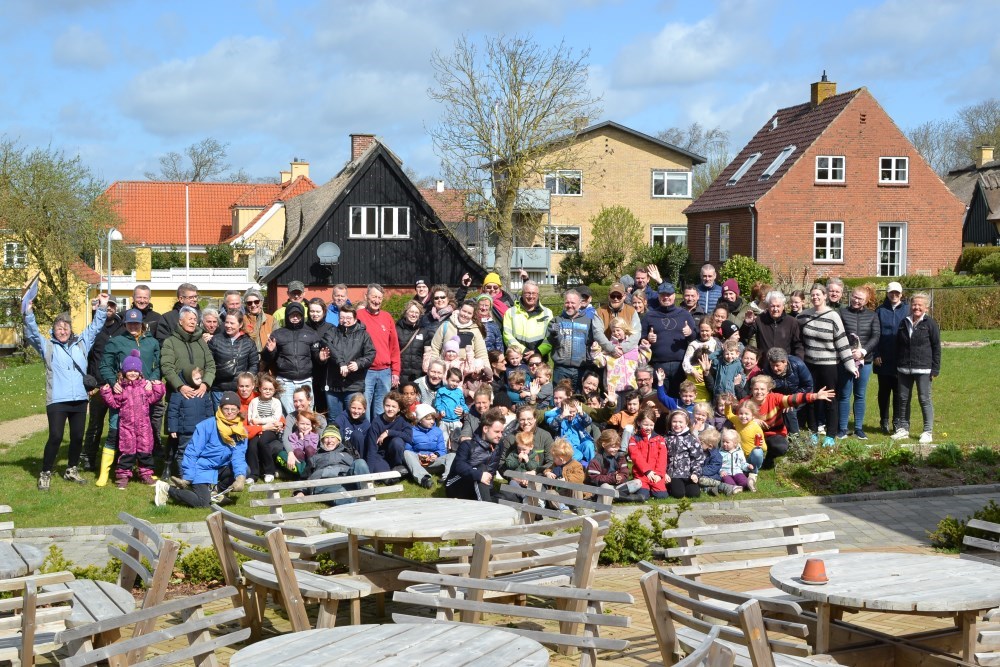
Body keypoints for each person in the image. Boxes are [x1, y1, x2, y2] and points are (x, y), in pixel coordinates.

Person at [25, 292, 109, 490]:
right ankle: (46, 472)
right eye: (58, 328)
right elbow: (32, 333)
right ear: (53, 330)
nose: (62, 331)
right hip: (57, 400)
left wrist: (103, 307)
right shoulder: (47, 347)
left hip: (79, 399)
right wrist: (28, 312)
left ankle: (71, 469)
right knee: (55, 436)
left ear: (71, 330)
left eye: (66, 327)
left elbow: (96, 327)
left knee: (77, 437)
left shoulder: (82, 343)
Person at [98, 307, 162, 486]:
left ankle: (145, 470)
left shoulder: (152, 342)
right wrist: (113, 383)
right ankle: (107, 472)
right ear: (125, 324)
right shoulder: (116, 342)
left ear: (142, 323)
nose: (133, 326)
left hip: (145, 395)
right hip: (124, 395)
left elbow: (159, 365)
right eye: (129, 323)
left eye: (136, 323)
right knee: (115, 432)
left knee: (145, 436)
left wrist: (154, 380)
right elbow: (105, 365)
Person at [153, 391, 247, 508]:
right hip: (202, 469)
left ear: (238, 410)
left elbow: (238, 456)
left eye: (233, 409)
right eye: (226, 408)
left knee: (245, 470)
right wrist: (188, 477)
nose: (229, 412)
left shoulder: (240, 431)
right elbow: (192, 452)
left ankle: (215, 492)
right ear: (220, 408)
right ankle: (167, 489)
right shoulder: (206, 426)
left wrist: (240, 477)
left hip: (221, 467)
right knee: (202, 504)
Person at [798, 283, 858, 446]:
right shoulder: (803, 316)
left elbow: (842, 341)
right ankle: (813, 431)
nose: (816, 297)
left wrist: (850, 365)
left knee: (831, 399)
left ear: (825, 296)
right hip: (810, 365)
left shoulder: (833, 316)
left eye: (819, 294)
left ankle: (831, 434)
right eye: (813, 295)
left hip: (829, 365)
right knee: (811, 399)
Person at [100, 350, 166, 488]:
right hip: (127, 427)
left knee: (145, 451)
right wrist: (106, 392)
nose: (133, 373)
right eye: (129, 371)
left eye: (135, 371)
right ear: (124, 372)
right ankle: (123, 475)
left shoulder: (144, 387)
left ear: (140, 372)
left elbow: (154, 397)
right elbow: (114, 403)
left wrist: (158, 386)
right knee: (127, 452)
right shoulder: (121, 388)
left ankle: (146, 474)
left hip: (144, 426)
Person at [748, 375, 834, 467]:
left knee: (781, 448)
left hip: (774, 434)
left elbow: (794, 398)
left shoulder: (774, 398)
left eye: (762, 389)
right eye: (756, 389)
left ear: (768, 390)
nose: (759, 392)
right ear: (751, 389)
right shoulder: (745, 402)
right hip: (751, 435)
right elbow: (736, 419)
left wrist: (815, 396)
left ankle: (769, 458)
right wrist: (752, 421)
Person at [890, 293, 941, 444]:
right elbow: (898, 345)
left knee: (924, 399)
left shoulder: (930, 323)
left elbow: (936, 347)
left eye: (920, 305)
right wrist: (897, 365)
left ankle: (927, 431)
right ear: (910, 306)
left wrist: (935, 369)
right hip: (904, 368)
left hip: (924, 369)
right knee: (903, 399)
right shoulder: (903, 322)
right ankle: (903, 429)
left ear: (926, 307)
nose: (916, 307)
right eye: (914, 304)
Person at [82, 297, 123, 471]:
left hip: (119, 386)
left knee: (119, 425)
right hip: (98, 386)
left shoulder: (123, 329)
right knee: (95, 425)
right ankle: (88, 458)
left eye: (112, 306)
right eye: (106, 306)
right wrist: (89, 384)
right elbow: (87, 358)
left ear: (115, 308)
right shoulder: (94, 330)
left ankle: (117, 460)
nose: (109, 309)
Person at [261, 301, 322, 416]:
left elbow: (316, 358)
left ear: (302, 316)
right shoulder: (278, 334)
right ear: (287, 316)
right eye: (292, 315)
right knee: (290, 415)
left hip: (306, 380)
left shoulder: (311, 334)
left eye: (298, 315)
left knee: (307, 414)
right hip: (285, 381)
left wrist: (322, 358)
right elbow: (266, 358)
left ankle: (309, 434)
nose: (295, 317)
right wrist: (270, 351)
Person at [838, 287, 880, 440]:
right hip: (845, 360)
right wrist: (847, 352)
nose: (856, 300)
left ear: (866, 301)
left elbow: (876, 336)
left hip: (865, 361)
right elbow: (838, 334)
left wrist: (863, 351)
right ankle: (842, 428)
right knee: (844, 394)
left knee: (860, 394)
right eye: (854, 297)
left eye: (860, 299)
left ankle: (858, 428)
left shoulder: (872, 315)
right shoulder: (841, 313)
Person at [355, 283, 400, 419]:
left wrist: (396, 371)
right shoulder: (358, 316)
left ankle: (378, 438)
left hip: (385, 372)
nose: (376, 301)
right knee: (364, 408)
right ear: (366, 296)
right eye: (374, 296)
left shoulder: (387, 317)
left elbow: (394, 346)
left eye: (379, 298)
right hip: (365, 371)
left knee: (382, 410)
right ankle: (365, 438)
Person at [643, 282, 696, 396]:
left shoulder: (684, 314)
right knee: (660, 398)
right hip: (658, 364)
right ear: (658, 296)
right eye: (663, 295)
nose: (666, 297)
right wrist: (647, 338)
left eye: (669, 294)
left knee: (680, 397)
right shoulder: (650, 315)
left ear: (674, 295)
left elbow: (696, 338)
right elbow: (641, 338)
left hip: (680, 365)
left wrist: (690, 333)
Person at [445, 407, 506, 501]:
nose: (500, 435)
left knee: (505, 499)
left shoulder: (498, 446)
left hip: (481, 487)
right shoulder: (468, 445)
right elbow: (459, 466)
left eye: (502, 432)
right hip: (456, 486)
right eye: (497, 432)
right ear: (485, 429)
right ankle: (485, 507)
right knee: (481, 468)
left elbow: (500, 465)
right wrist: (479, 475)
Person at [166, 367, 214, 484]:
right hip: (185, 431)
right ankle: (184, 476)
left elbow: (209, 411)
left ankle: (198, 477)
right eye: (196, 378)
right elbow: (173, 411)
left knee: (201, 453)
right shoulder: (179, 394)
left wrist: (211, 427)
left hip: (201, 431)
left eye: (200, 378)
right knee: (183, 452)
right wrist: (173, 428)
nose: (199, 380)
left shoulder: (204, 393)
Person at [547, 289, 600, 390]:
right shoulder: (556, 321)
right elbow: (552, 339)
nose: (569, 305)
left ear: (580, 304)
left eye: (573, 303)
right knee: (560, 398)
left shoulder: (589, 321)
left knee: (579, 399)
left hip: (582, 368)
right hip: (561, 368)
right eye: (567, 302)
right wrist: (555, 334)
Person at [304, 424, 370, 504]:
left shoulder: (347, 453)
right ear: (322, 441)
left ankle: (368, 494)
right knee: (342, 496)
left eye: (333, 437)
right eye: (326, 437)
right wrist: (299, 491)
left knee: (360, 462)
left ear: (338, 440)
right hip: (326, 482)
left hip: (346, 479)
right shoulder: (315, 457)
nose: (329, 441)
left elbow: (357, 468)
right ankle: (359, 504)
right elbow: (305, 477)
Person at [874, 282, 909, 434]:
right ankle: (884, 420)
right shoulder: (880, 311)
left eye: (897, 293)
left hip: (901, 358)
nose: (894, 295)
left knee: (898, 392)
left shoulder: (907, 309)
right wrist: (876, 354)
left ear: (901, 294)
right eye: (891, 293)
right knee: (883, 392)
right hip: (883, 358)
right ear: (887, 294)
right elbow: (874, 334)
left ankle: (897, 421)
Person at [423, 299, 490, 375]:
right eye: (464, 311)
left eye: (469, 313)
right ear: (459, 309)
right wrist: (433, 369)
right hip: (445, 372)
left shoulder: (475, 330)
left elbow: (481, 353)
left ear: (472, 315)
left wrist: (488, 371)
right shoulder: (446, 326)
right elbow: (434, 348)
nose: (465, 315)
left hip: (467, 373)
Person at [207, 311, 259, 408]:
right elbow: (208, 363)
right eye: (226, 322)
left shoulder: (248, 343)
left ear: (240, 325)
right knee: (220, 420)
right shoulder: (215, 340)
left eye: (232, 323)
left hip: (239, 391)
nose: (228, 325)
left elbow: (254, 364)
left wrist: (246, 381)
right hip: (219, 389)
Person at [761, 347, 812, 434]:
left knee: (789, 411)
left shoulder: (798, 364)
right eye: (772, 365)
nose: (774, 368)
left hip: (799, 393)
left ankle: (795, 439)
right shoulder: (767, 370)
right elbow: (768, 389)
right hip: (779, 397)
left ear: (785, 362)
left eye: (777, 365)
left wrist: (791, 400)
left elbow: (808, 386)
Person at [245, 374, 285, 484]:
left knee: (263, 442)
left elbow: (276, 418)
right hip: (257, 429)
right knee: (252, 445)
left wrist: (260, 422)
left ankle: (269, 471)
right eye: (265, 389)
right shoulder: (254, 402)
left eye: (270, 389)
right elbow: (251, 419)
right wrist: (259, 425)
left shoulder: (276, 402)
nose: (267, 391)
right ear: (260, 389)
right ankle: (254, 474)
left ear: (274, 390)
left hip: (271, 430)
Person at [745, 290, 804, 361]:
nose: (775, 309)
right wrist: (747, 324)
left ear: (783, 306)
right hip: (764, 365)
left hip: (785, 365)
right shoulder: (759, 320)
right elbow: (745, 336)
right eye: (772, 306)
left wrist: (798, 362)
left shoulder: (792, 322)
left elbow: (798, 345)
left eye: (778, 306)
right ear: (768, 306)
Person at [362, 391, 412, 475]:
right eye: (387, 406)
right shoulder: (376, 422)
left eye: (394, 406)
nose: (390, 409)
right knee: (383, 474)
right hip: (380, 455)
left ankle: (397, 466)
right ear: (383, 406)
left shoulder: (403, 420)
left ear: (399, 408)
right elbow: (372, 449)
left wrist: (389, 432)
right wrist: (369, 475)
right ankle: (393, 473)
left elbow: (409, 438)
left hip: (395, 454)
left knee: (397, 441)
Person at [406, 403, 452, 488]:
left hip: (434, 462)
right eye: (428, 419)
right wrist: (419, 456)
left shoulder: (437, 431)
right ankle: (424, 479)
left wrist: (436, 455)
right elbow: (408, 449)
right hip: (419, 463)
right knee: (406, 453)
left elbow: (442, 450)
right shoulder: (411, 431)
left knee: (452, 455)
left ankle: (446, 478)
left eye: (433, 419)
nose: (432, 421)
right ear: (420, 420)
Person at [502, 281, 553, 358]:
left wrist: (538, 351)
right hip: (518, 359)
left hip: (540, 358)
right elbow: (507, 336)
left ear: (538, 295)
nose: (531, 296)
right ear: (522, 294)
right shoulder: (510, 312)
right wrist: (523, 351)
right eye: (528, 293)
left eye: (534, 293)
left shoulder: (547, 313)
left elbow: (550, 337)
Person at [628, 409, 668, 500]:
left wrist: (659, 474)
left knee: (661, 496)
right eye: (645, 424)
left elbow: (662, 458)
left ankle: (657, 486)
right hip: (641, 474)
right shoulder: (634, 439)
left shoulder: (660, 439)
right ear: (639, 423)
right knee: (643, 496)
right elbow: (636, 456)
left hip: (655, 474)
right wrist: (647, 471)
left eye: (651, 425)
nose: (648, 428)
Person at [724, 398, 765, 485]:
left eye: (747, 414)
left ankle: (754, 472)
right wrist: (727, 405)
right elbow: (728, 414)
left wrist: (760, 445)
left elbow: (765, 447)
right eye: (741, 413)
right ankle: (742, 471)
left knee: (758, 452)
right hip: (739, 457)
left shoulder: (756, 427)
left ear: (753, 416)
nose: (743, 416)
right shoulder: (737, 420)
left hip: (750, 457)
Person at [664, 409, 703, 499]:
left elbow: (697, 458)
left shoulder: (691, 439)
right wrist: (664, 473)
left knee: (694, 494)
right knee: (678, 494)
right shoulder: (666, 439)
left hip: (688, 473)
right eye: (674, 422)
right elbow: (662, 458)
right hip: (673, 474)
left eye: (680, 422)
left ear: (686, 423)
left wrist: (695, 473)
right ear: (670, 423)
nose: (677, 425)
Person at [544, 397, 595, 464]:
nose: (571, 414)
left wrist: (581, 413)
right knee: (578, 455)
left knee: (589, 444)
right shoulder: (558, 419)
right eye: (569, 412)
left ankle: (593, 466)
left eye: (573, 412)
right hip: (566, 448)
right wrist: (562, 416)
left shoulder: (578, 418)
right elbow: (553, 426)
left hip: (579, 445)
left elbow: (588, 421)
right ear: (562, 411)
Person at [396, 300, 428, 384]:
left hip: (417, 376)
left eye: (417, 313)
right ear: (406, 312)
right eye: (411, 312)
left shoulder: (423, 331)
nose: (414, 315)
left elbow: (427, 354)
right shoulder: (396, 329)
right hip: (400, 375)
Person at [333, 393, 370, 461]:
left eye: (359, 409)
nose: (356, 411)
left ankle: (359, 463)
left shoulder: (366, 424)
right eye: (353, 408)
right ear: (349, 407)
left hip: (359, 455)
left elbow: (367, 446)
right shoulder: (341, 418)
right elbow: (338, 438)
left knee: (357, 435)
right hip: (344, 452)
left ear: (364, 410)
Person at [434, 367, 467, 444]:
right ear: (447, 379)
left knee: (456, 441)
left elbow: (463, 404)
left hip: (456, 421)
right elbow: (437, 403)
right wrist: (441, 410)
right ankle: (443, 454)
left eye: (457, 382)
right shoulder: (441, 391)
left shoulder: (459, 392)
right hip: (444, 421)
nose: (455, 383)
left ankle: (455, 454)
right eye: (453, 381)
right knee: (443, 440)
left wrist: (463, 410)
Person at [697, 426, 731, 495]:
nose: (699, 444)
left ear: (710, 446)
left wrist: (699, 470)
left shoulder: (716, 456)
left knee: (700, 480)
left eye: (701, 443)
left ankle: (721, 485)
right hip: (703, 475)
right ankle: (710, 489)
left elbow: (712, 469)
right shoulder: (702, 451)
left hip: (713, 477)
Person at [242, 287, 275, 353]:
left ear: (261, 302)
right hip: (249, 360)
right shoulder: (242, 320)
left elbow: (277, 341)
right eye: (249, 303)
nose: (253, 305)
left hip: (268, 359)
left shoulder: (271, 320)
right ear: (246, 305)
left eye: (256, 302)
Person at [719, 428, 752, 493]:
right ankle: (734, 487)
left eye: (727, 442)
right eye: (723, 442)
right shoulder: (720, 453)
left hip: (737, 472)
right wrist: (720, 471)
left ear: (735, 443)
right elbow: (717, 465)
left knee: (743, 481)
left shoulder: (739, 452)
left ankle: (749, 484)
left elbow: (742, 463)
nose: (724, 444)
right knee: (729, 482)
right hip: (726, 474)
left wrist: (748, 466)